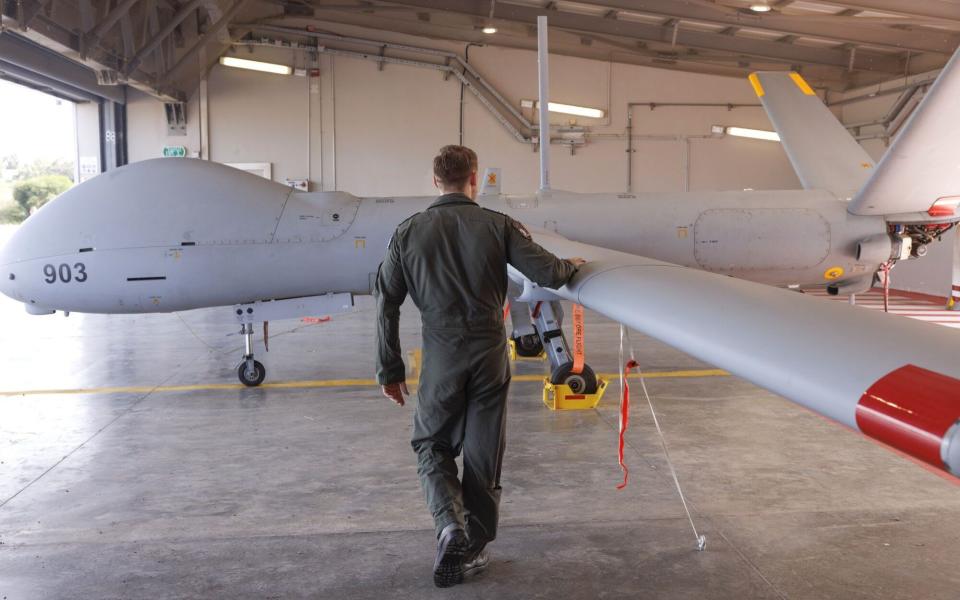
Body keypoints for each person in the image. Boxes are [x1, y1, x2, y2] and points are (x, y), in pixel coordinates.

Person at [374, 144, 586, 588]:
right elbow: (550, 273)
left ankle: (448, 524)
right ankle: (473, 544)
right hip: (490, 354)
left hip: (442, 355)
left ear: (435, 181)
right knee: (483, 452)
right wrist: (572, 266)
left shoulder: (407, 233)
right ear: (473, 178)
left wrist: (390, 371)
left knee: (431, 442)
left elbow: (387, 302)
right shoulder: (498, 226)